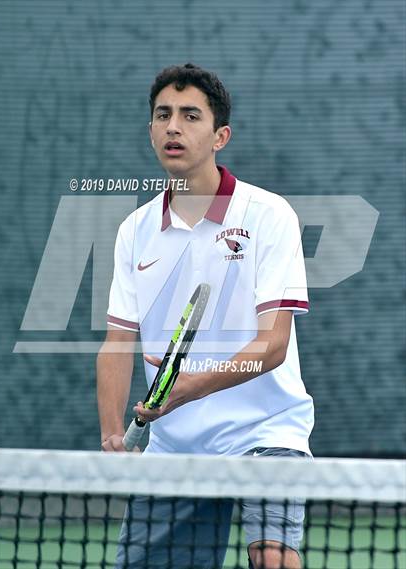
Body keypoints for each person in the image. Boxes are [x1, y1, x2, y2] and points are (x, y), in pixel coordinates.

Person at [97, 63, 314, 569]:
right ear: (150, 129)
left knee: (273, 558)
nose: (173, 126)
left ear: (220, 136)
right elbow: (118, 341)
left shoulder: (268, 215)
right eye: (163, 115)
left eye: (190, 115)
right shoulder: (135, 230)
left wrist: (190, 387)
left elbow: (273, 344)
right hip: (174, 448)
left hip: (267, 432)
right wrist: (113, 436)